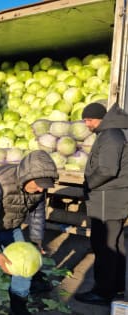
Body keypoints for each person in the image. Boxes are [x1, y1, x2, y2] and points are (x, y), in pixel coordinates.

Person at [0, 150, 58, 315]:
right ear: (26, 176)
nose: (39, 189)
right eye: (37, 184)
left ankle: (18, 306)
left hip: (10, 224)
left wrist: (36, 242)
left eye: (44, 186)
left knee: (24, 264)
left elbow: (38, 214)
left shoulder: (39, 189)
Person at [74, 102, 128, 306]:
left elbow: (107, 170)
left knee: (103, 245)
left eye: (89, 120)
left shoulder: (111, 136)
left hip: (108, 199)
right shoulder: (111, 133)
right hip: (112, 197)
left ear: (100, 118)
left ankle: (102, 292)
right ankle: (116, 286)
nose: (87, 124)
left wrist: (89, 183)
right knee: (115, 244)